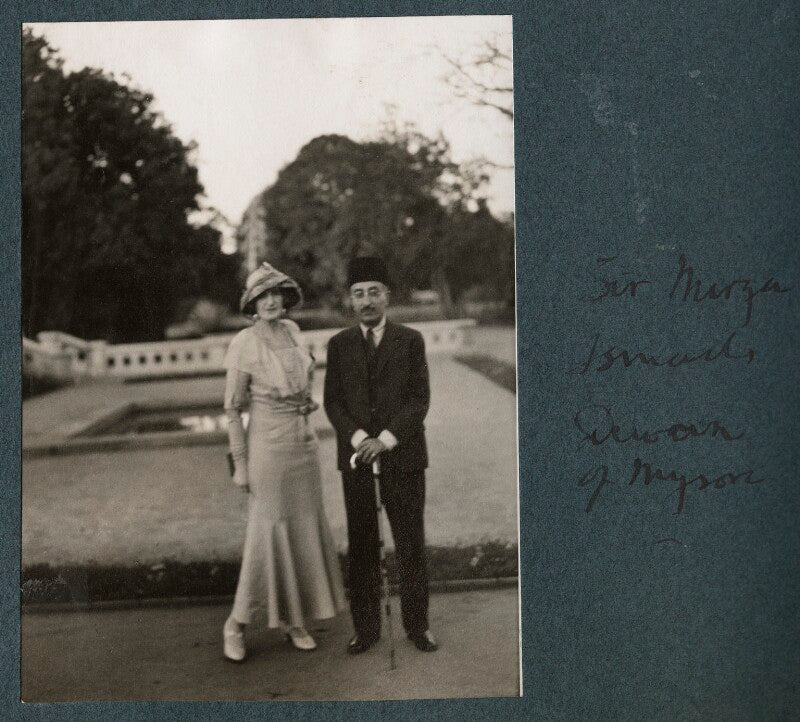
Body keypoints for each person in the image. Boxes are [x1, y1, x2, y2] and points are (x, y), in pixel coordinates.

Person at [222, 262, 346, 662]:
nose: (271, 301)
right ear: (252, 304)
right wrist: (240, 464)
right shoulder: (244, 343)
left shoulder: (293, 331)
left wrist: (306, 402)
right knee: (266, 534)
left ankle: (295, 621)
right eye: (263, 295)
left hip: (303, 446)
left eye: (276, 293)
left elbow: (303, 380)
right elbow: (232, 408)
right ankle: (236, 624)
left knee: (302, 529)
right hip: (267, 450)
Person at [323, 256, 438, 654]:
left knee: (410, 543)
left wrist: (385, 440)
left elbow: (419, 399)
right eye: (359, 294)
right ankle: (367, 629)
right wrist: (359, 440)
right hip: (357, 460)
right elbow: (333, 402)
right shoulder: (339, 345)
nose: (367, 300)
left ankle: (418, 627)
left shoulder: (410, 340)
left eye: (374, 292)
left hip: (403, 457)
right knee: (362, 546)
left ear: (387, 296)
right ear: (350, 300)